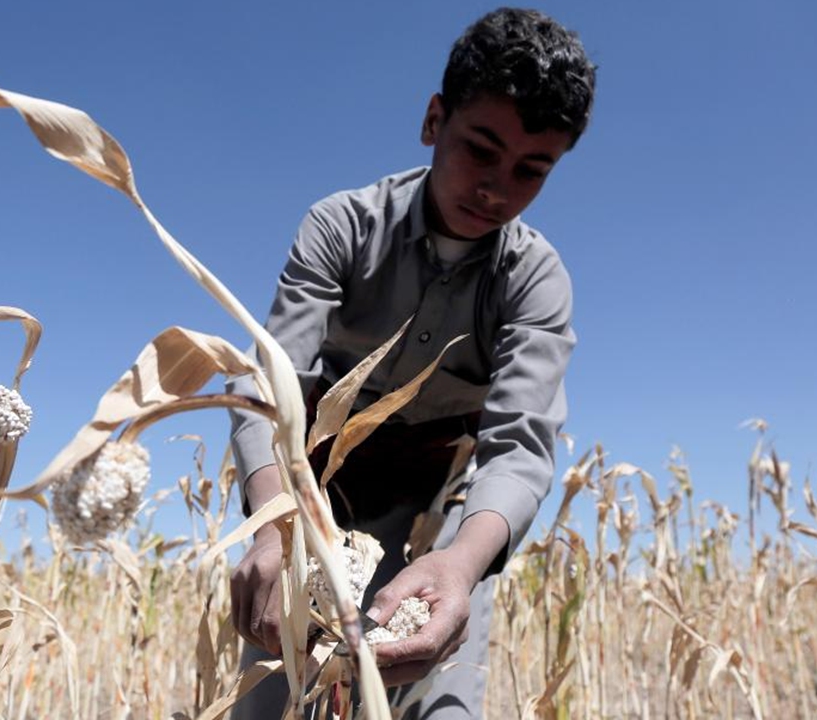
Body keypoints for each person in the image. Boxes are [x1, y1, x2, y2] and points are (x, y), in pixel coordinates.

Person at [225, 7, 596, 718]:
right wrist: (276, 527)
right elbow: (269, 387)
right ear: (434, 120)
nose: (497, 187)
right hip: (312, 504)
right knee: (271, 700)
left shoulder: (536, 280)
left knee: (441, 704)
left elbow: (518, 449)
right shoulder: (340, 228)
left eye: (531, 170)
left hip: (441, 520)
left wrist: (458, 566)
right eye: (480, 149)